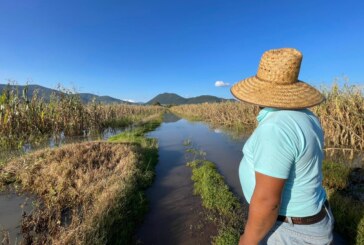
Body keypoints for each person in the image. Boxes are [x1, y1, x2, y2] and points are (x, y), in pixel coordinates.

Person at [230, 48, 334, 245]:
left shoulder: (276, 127)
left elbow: (267, 202)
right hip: (313, 222)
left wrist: (247, 241)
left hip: (291, 232)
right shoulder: (307, 116)